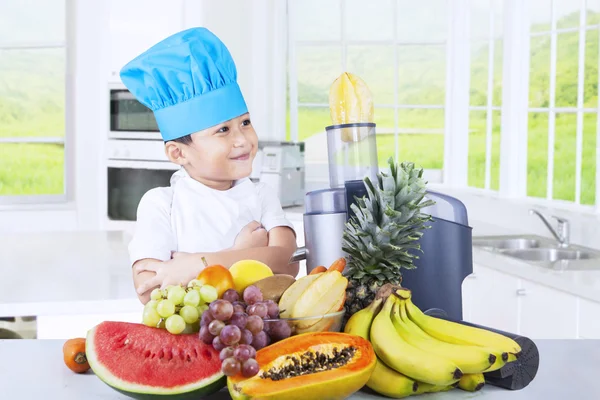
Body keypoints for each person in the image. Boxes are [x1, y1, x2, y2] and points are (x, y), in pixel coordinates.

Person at [120, 27, 299, 304]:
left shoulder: (261, 195)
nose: (242, 140)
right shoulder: (161, 205)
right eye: (223, 131)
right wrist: (247, 254)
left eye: (245, 123)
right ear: (179, 153)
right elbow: (148, 289)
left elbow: (288, 261)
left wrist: (196, 265)